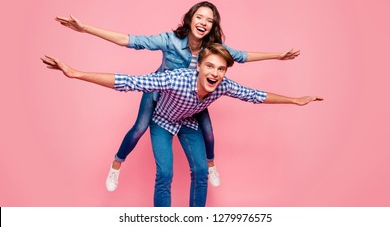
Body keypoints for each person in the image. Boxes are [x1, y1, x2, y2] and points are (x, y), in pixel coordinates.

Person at [55, 1, 301, 191]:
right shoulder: (170, 40)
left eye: (210, 20)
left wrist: (278, 56)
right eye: (200, 16)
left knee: (208, 132)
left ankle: (211, 166)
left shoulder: (213, 52)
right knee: (140, 128)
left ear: (213, 26)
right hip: (160, 87)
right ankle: (116, 164)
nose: (204, 22)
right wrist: (85, 29)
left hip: (192, 97)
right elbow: (128, 41)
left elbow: (243, 57)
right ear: (191, 19)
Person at [41, 43, 322, 207]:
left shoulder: (223, 85)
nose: (215, 73)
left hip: (188, 122)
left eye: (220, 69)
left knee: (200, 171)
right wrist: (76, 73)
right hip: (162, 121)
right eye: (210, 66)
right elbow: (130, 81)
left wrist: (295, 100)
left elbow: (255, 95)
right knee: (165, 174)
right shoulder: (176, 78)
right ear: (199, 66)